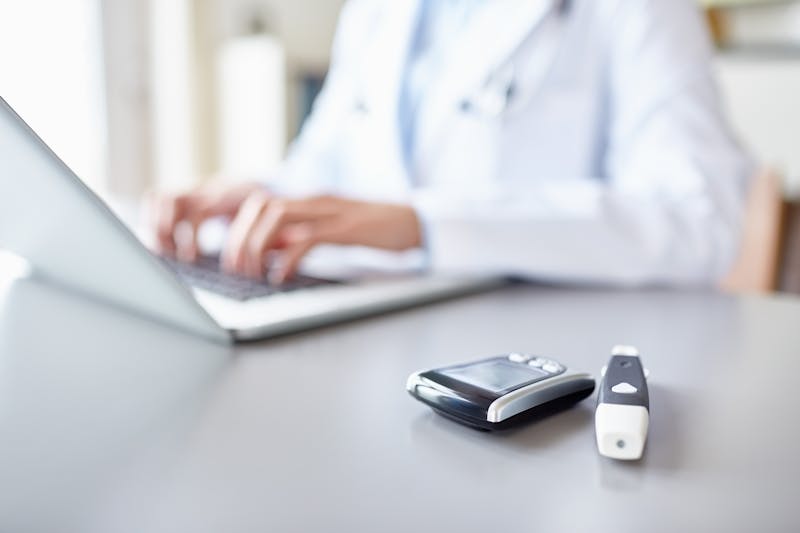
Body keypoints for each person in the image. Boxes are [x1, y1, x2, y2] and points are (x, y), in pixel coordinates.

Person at [152, 0, 752, 286]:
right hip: (373, 331)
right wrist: (262, 195)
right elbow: (330, 161)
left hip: (545, 366)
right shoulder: (378, 11)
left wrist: (424, 223)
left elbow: (695, 222)